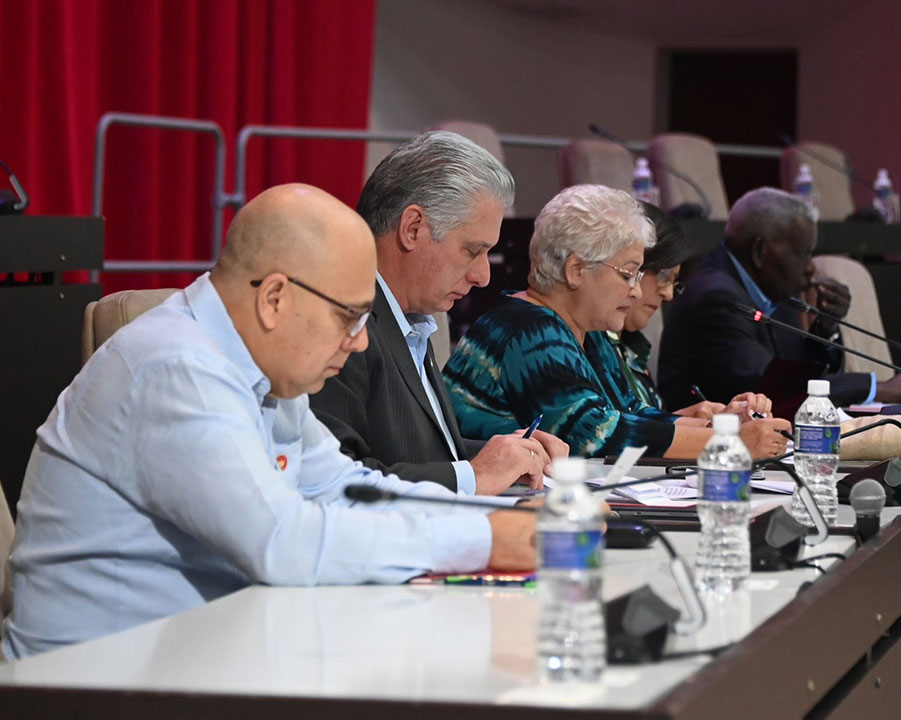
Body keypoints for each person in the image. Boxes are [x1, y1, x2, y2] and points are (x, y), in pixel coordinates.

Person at [0, 184, 535, 660]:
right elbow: (283, 543)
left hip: (190, 657)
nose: (363, 339)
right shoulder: (176, 368)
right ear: (275, 298)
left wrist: (504, 519)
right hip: (88, 684)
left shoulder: (265, 372)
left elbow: (348, 489)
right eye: (349, 317)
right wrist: (482, 540)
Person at [443, 184, 791, 460]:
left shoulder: (588, 333)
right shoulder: (528, 330)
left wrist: (720, 423)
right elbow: (595, 434)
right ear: (576, 270)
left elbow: (630, 413)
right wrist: (728, 442)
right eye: (627, 274)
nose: (637, 291)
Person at [309, 131, 566, 496]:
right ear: (413, 228)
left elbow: (413, 453)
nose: (483, 275)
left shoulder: (410, 313)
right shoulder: (342, 320)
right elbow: (335, 478)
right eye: (472, 250)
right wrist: (474, 476)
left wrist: (511, 456)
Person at [658, 187, 901, 409]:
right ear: (760, 251)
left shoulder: (767, 290)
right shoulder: (716, 298)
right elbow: (772, 386)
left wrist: (825, 328)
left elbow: (800, 373)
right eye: (802, 254)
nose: (810, 268)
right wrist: (877, 388)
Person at [608, 203, 773, 420]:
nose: (668, 295)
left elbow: (645, 428)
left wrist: (706, 419)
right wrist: (706, 431)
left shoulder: (632, 348)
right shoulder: (591, 344)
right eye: (664, 276)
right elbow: (613, 436)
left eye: (674, 282)